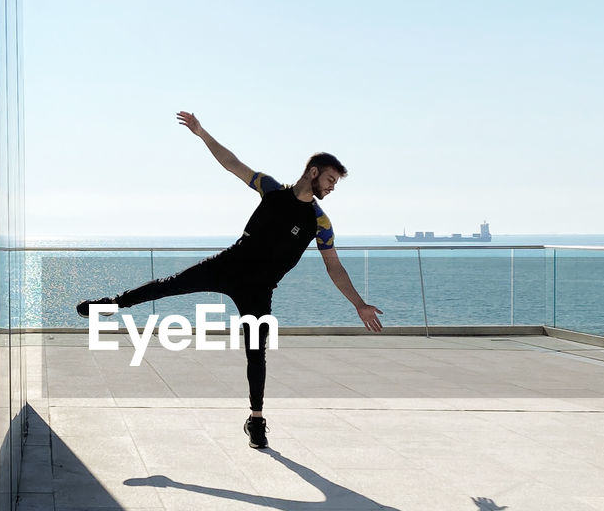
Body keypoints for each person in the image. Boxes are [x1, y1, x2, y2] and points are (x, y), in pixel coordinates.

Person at [77, 112, 383, 448]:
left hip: (259, 289)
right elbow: (232, 163)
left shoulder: (320, 222)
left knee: (256, 351)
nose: (332, 186)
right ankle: (111, 305)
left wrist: (359, 304)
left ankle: (256, 421)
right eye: (330, 179)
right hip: (227, 265)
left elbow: (334, 267)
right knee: (168, 285)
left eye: (335, 182)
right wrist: (202, 133)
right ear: (313, 172)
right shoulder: (271, 190)